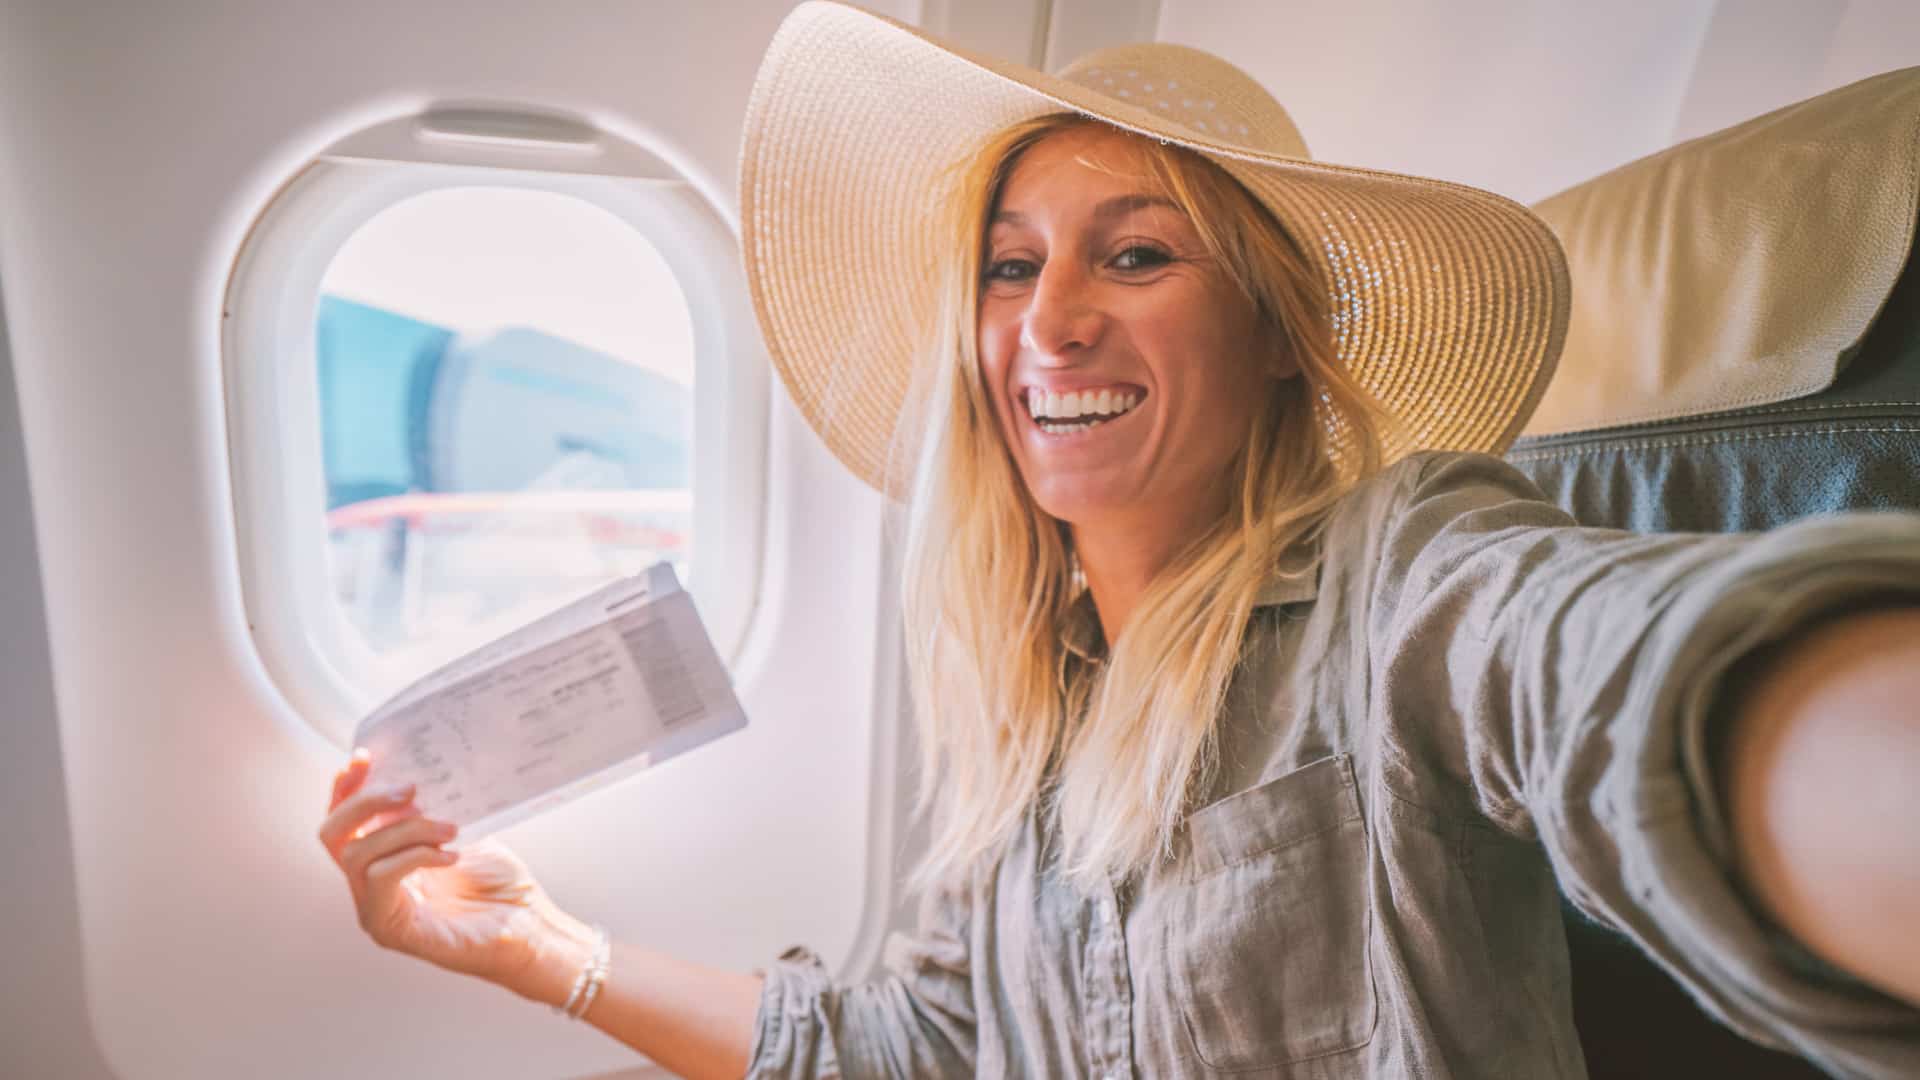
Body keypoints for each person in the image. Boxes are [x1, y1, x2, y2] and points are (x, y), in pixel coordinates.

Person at [318, 3, 1920, 1076]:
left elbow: (1621, 678)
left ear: (1282, 334)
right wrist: (543, 954)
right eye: (1010, 271)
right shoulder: (1031, 720)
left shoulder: (1395, 571)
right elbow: (905, 1045)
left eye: (1137, 254)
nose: (1052, 324)